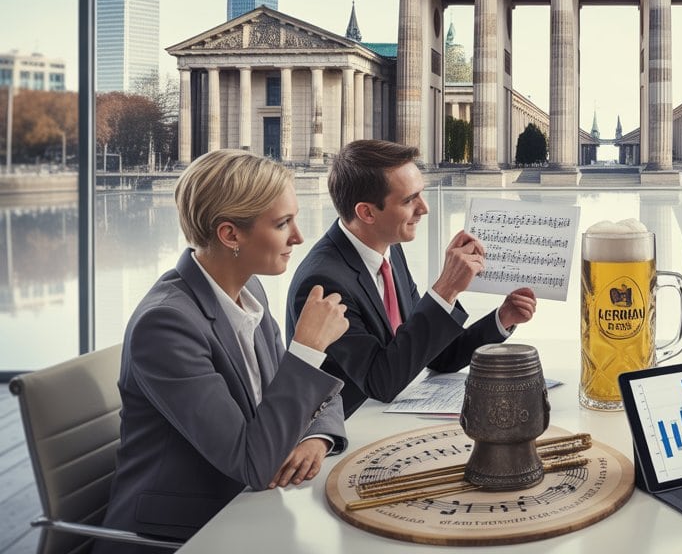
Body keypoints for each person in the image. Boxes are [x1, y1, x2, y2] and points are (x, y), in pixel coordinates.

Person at [101, 150, 349, 550]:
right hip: (183, 536)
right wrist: (306, 348)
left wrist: (316, 439)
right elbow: (252, 462)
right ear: (231, 235)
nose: (299, 237)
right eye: (283, 223)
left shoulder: (249, 290)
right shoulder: (166, 325)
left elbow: (314, 395)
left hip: (250, 512)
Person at [287, 140, 536, 416]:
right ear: (366, 212)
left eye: (421, 194)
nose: (424, 208)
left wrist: (503, 318)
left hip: (384, 418)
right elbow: (381, 383)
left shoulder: (389, 248)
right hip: (346, 435)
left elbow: (438, 355)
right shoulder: (324, 283)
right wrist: (445, 289)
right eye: (409, 200)